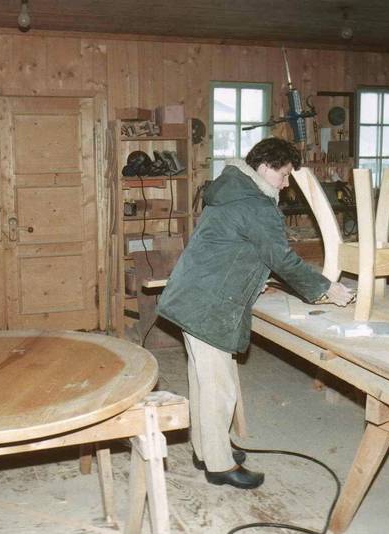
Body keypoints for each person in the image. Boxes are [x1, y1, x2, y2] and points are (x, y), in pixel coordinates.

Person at [157, 137, 354, 490]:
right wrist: (326, 287)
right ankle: (219, 465)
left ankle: (207, 449)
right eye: (283, 174)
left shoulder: (231, 189)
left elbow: (233, 246)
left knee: (205, 381)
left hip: (192, 295)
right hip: (207, 304)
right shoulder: (255, 203)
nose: (286, 183)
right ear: (264, 168)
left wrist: (255, 277)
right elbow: (281, 257)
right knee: (219, 388)